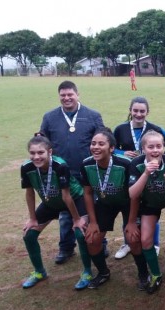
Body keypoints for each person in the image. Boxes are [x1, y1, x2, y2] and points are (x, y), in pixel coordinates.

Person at [40, 80, 104, 265]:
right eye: (63, 95)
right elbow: (43, 142)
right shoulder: (50, 117)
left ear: (77, 94)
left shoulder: (92, 115)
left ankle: (101, 242)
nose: (67, 98)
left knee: (93, 208)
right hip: (62, 172)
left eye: (70, 94)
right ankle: (66, 247)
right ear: (59, 96)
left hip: (88, 171)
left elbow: (102, 141)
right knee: (66, 211)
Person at [20, 135, 88, 288]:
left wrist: (76, 219)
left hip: (74, 199)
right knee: (29, 234)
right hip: (50, 202)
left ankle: (87, 272)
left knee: (80, 233)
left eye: (40, 153)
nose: (36, 157)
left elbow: (66, 195)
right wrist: (32, 218)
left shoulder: (59, 165)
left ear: (49, 152)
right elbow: (29, 193)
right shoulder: (26, 168)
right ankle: (39, 272)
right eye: (32, 153)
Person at [127, 130, 165, 294]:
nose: (155, 150)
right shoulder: (136, 164)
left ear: (164, 148)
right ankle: (156, 275)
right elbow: (132, 194)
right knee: (145, 240)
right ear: (143, 148)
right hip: (150, 203)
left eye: (159, 146)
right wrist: (145, 173)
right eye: (150, 147)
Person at [112, 97, 165, 259]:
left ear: (147, 112)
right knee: (128, 208)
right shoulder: (120, 129)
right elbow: (111, 148)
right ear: (130, 111)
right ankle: (127, 242)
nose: (138, 114)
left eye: (142, 111)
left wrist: (163, 159)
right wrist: (122, 153)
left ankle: (155, 243)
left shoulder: (155, 129)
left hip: (150, 173)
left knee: (151, 207)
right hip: (128, 175)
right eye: (135, 110)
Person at [79, 129, 133, 290]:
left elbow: (135, 195)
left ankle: (143, 274)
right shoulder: (86, 164)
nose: (95, 147)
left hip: (127, 202)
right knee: (92, 239)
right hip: (105, 202)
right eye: (93, 143)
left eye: (101, 144)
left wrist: (131, 222)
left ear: (112, 148)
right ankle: (103, 272)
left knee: (135, 238)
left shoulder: (125, 164)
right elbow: (87, 193)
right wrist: (93, 221)